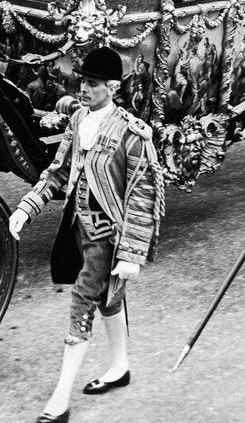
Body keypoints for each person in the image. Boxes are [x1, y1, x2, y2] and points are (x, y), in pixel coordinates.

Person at [9, 47, 163, 423]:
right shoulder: (79, 120)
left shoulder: (132, 134)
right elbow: (58, 171)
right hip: (79, 226)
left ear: (112, 87)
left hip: (108, 236)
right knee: (109, 299)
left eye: (92, 83)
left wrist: (130, 253)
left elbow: (143, 195)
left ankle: (60, 400)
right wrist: (27, 207)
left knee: (83, 303)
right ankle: (119, 367)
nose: (83, 89)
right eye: (82, 81)